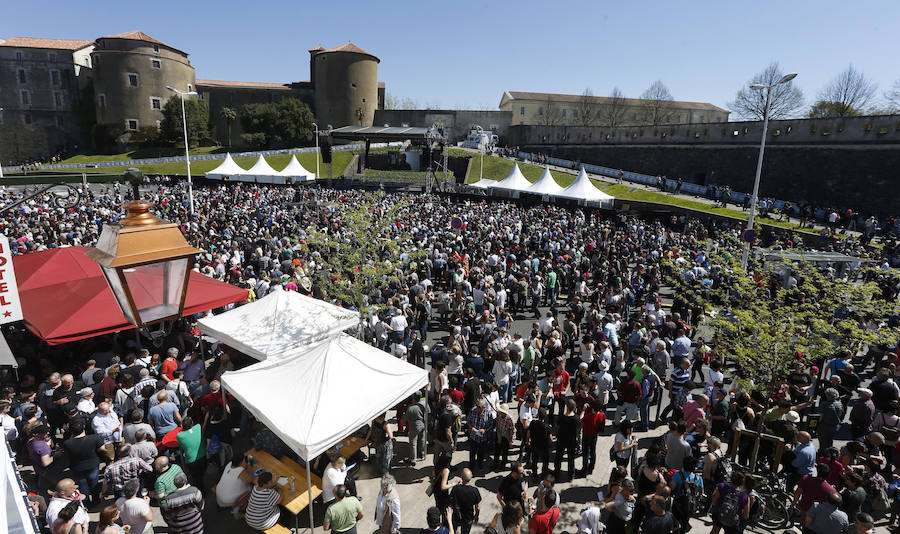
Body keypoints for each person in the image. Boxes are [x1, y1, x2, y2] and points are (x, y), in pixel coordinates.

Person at [61, 420, 105, 505]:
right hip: (93, 465)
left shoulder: (67, 443)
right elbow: (102, 449)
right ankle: (96, 501)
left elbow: (66, 455)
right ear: (84, 427)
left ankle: (86, 502)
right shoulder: (94, 438)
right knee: (94, 483)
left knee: (82, 485)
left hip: (77, 467)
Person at [669, 456, 703, 534]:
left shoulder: (677, 475)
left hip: (678, 503)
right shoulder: (698, 478)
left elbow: (671, 487)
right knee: (684, 522)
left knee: (675, 523)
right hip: (690, 505)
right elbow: (701, 492)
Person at [176, 416, 207, 486]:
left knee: (196, 479)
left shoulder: (179, 436)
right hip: (203, 457)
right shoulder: (198, 427)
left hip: (191, 461)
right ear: (192, 423)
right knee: (202, 475)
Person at [450, 468, 481, 534]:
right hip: (468, 518)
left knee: (453, 530)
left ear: (461, 477)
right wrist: (476, 516)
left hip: (457, 516)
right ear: (471, 477)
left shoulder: (456, 488)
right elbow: (478, 507)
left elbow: (450, 500)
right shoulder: (474, 490)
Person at [404, 393, 426, 465]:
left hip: (414, 426)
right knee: (422, 440)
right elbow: (428, 412)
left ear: (413, 399)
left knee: (413, 443)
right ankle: (422, 454)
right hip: (423, 424)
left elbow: (407, 419)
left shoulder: (410, 407)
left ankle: (413, 459)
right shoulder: (424, 404)